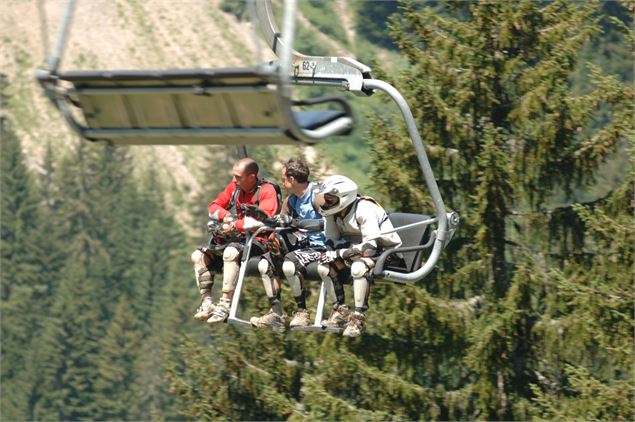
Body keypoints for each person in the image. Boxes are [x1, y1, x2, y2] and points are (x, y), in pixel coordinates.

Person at [250, 159, 338, 331]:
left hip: (321, 247)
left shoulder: (318, 196)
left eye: (284, 179)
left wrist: (297, 223)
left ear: (292, 179)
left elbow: (329, 225)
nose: (282, 183)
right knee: (264, 263)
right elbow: (282, 222)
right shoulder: (291, 200)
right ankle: (276, 314)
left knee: (290, 264)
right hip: (300, 246)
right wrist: (264, 218)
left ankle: (301, 312)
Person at [190, 157, 280, 325]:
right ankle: (207, 302)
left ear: (252, 177)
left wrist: (233, 225)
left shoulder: (267, 191)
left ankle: (224, 305)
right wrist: (227, 217)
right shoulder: (235, 188)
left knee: (231, 252)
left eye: (238, 177)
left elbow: (263, 221)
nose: (234, 180)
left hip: (259, 240)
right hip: (240, 238)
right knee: (198, 256)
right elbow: (213, 207)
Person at [315, 175, 403, 337]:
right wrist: (333, 254)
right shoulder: (333, 214)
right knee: (324, 266)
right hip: (355, 251)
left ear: (344, 198)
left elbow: (370, 248)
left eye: (330, 200)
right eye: (325, 199)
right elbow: (331, 242)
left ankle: (358, 318)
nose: (326, 204)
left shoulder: (364, 209)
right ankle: (340, 310)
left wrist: (340, 253)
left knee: (358, 267)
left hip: (387, 252)